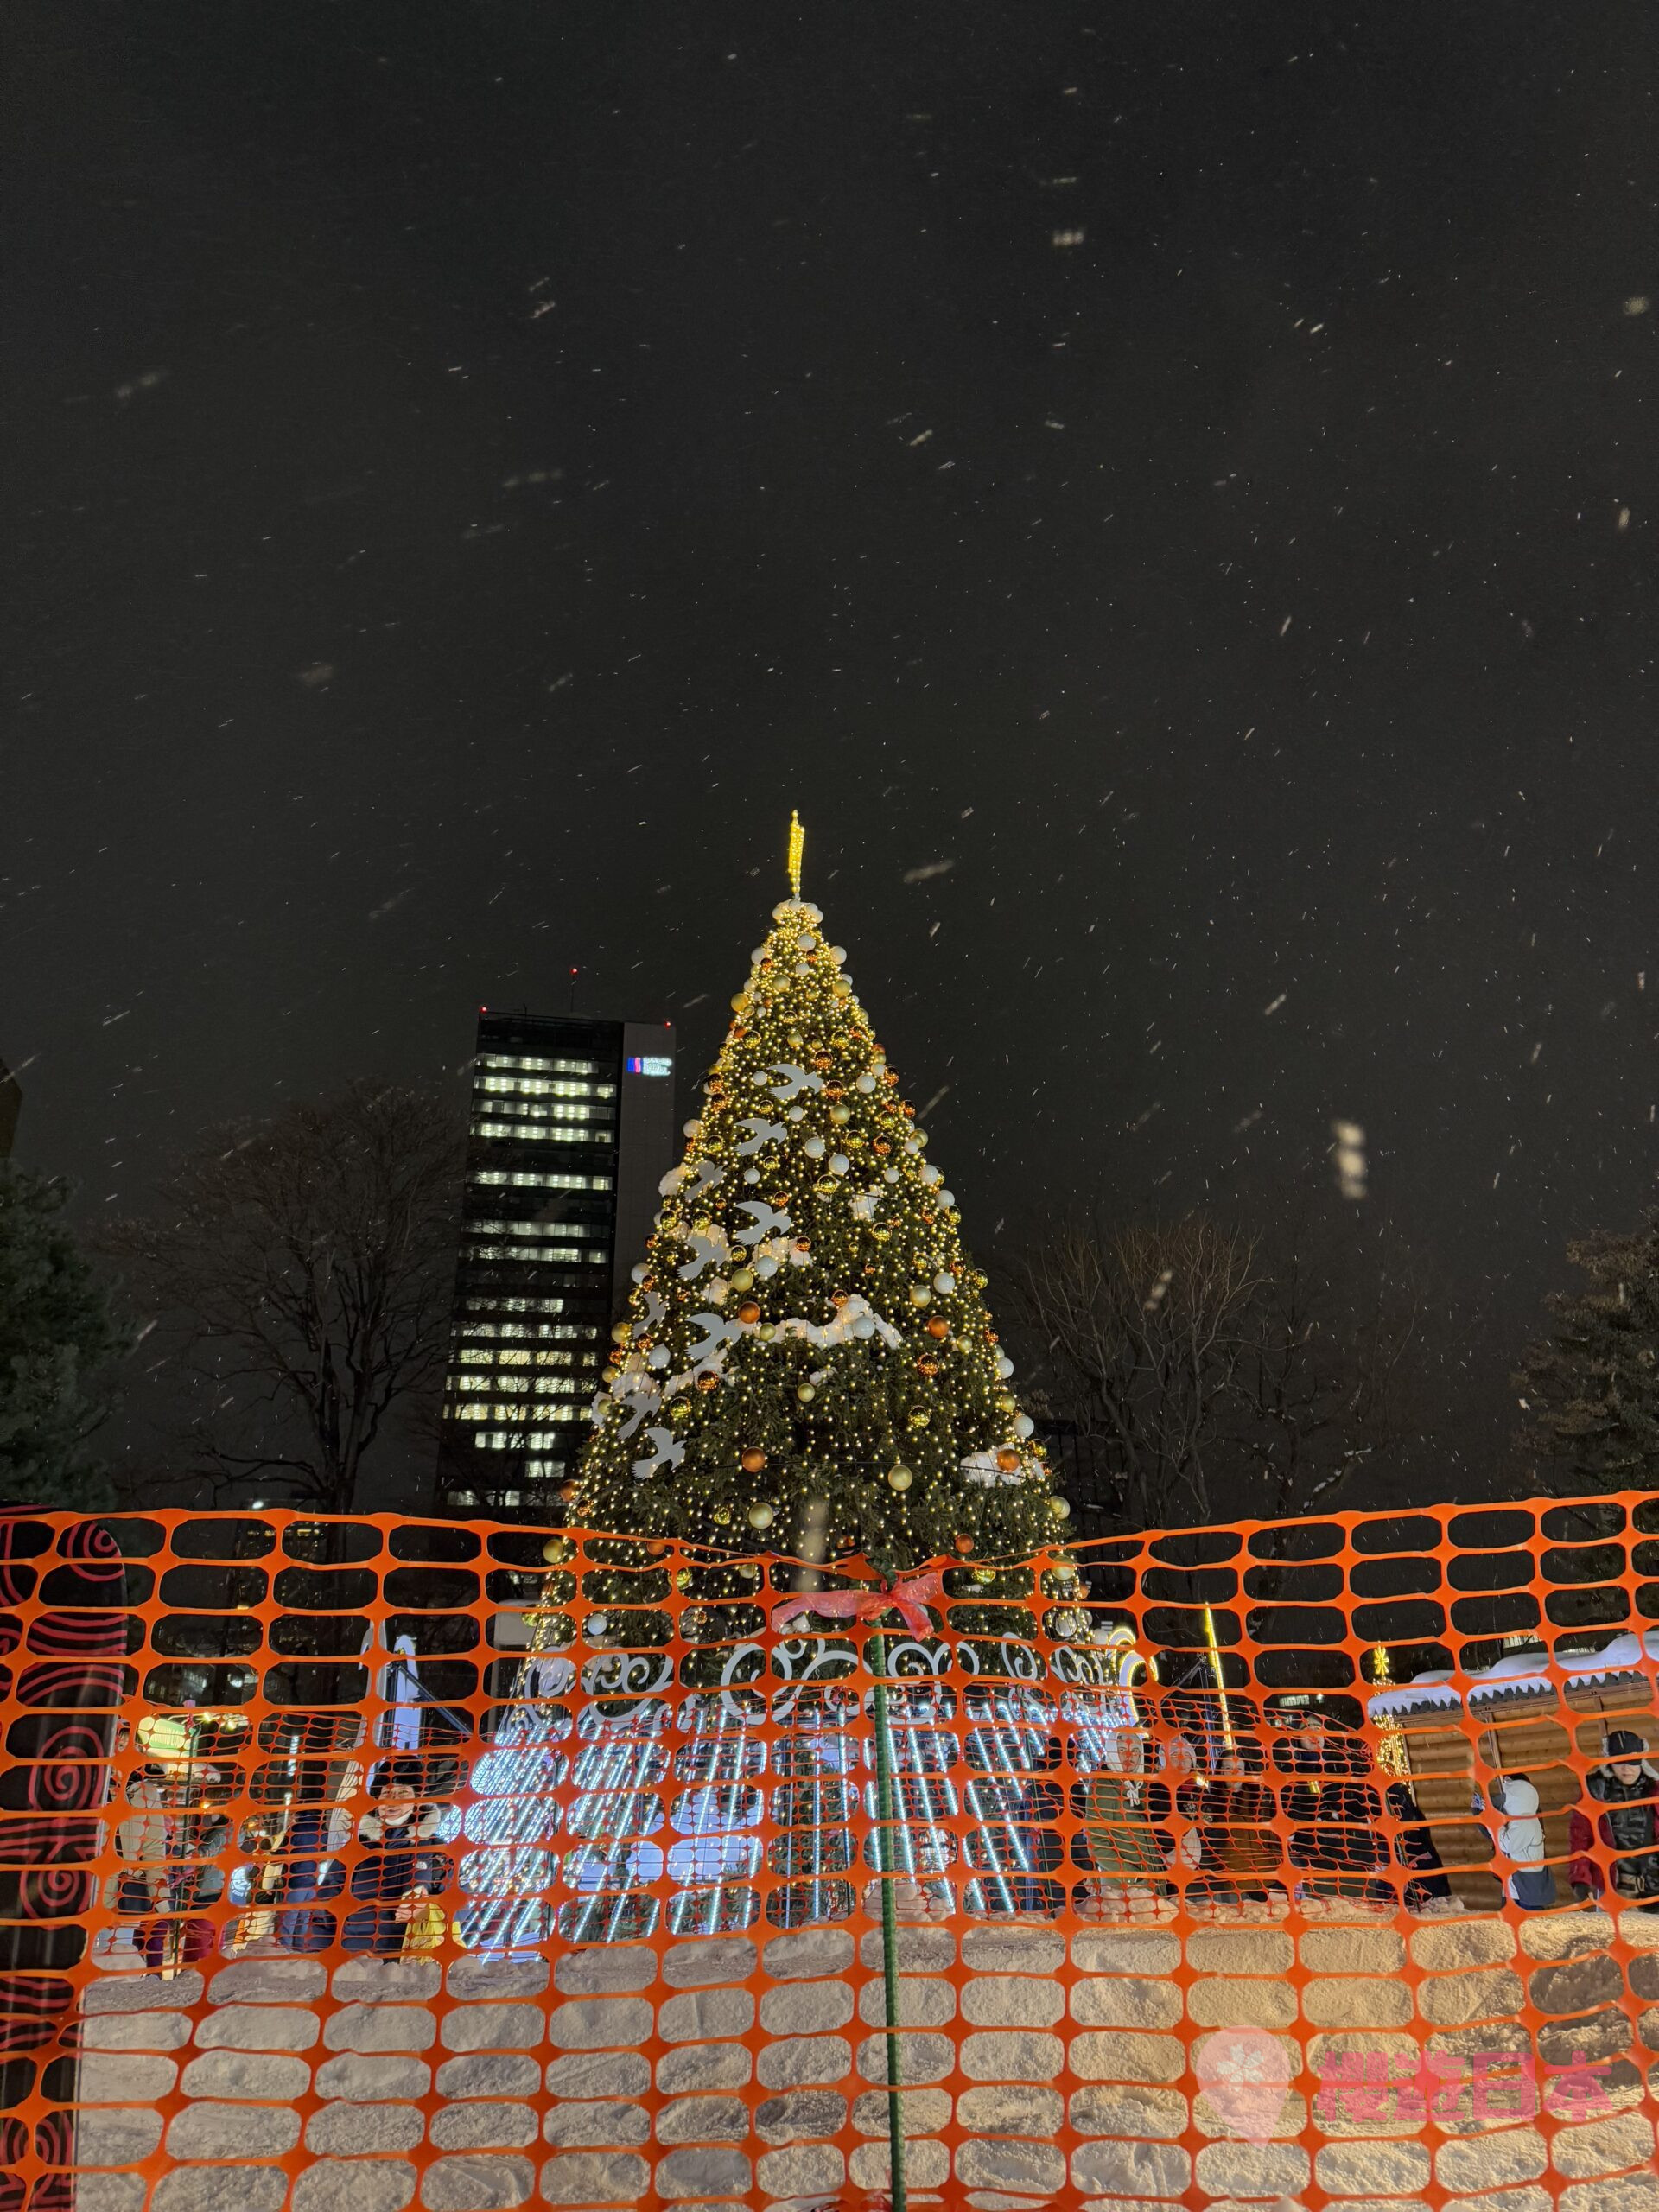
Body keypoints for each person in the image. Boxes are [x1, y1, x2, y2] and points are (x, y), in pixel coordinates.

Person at [340, 1759, 454, 1955]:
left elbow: (459, 1905)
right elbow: (327, 1905)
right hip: (352, 1961)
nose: (393, 1799)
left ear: (417, 1799)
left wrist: (426, 1907)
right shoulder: (357, 1848)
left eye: (402, 1792)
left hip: (407, 1965)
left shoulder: (438, 1850)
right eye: (386, 1793)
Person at [1587, 1730, 1659, 1907]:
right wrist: (1582, 1878)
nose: (1626, 1768)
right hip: (1616, 1886)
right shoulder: (1598, 1791)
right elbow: (1582, 1836)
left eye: (1631, 1762)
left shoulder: (1653, 1791)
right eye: (1620, 1763)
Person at [1492, 1775, 1555, 1910]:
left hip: (1527, 1885)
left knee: (1531, 1925)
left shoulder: (1525, 1821)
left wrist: (1494, 1821)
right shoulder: (1514, 1818)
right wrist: (1482, 1811)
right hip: (1515, 1884)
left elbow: (1506, 1844)